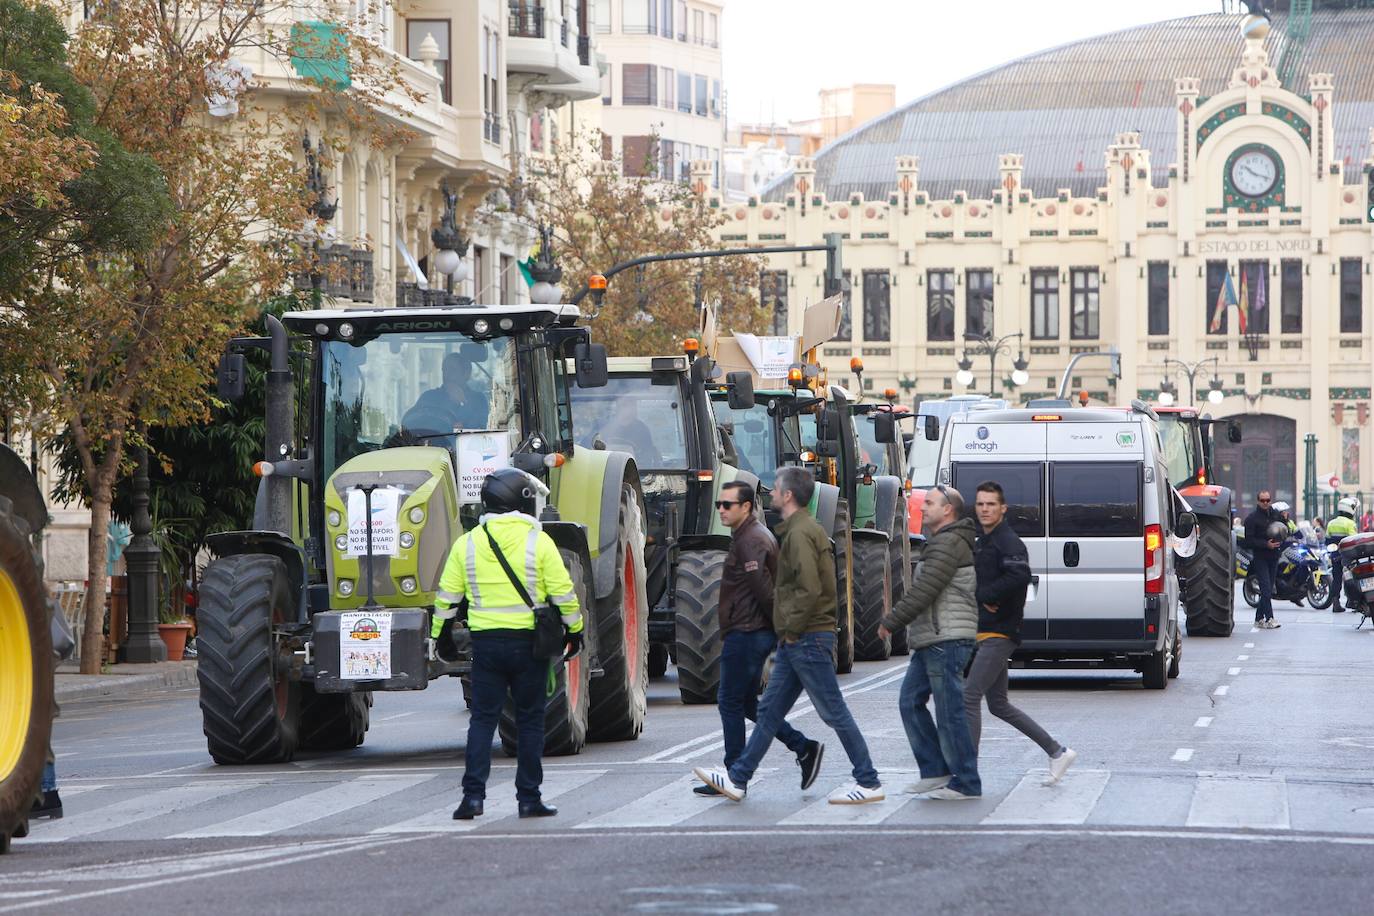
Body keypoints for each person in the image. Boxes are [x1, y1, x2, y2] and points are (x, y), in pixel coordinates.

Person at [693, 466, 884, 805]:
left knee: (834, 712)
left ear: (789, 495)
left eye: (776, 490)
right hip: (799, 639)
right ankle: (738, 778)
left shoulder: (799, 534)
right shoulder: (798, 530)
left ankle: (868, 781)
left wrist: (791, 631)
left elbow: (808, 589)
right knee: (767, 713)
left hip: (807, 638)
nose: (771, 494)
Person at [429, 467, 582, 820]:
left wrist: (442, 637)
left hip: (486, 647)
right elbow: (564, 595)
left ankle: (472, 798)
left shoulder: (466, 543)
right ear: (524, 502)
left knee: (482, 720)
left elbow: (447, 598)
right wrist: (575, 632)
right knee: (530, 721)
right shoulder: (538, 541)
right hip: (530, 647)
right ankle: (529, 798)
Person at [694, 480, 825, 797]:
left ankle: (734, 774)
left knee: (729, 702)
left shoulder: (750, 541)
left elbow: (765, 592)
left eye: (728, 505)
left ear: (747, 507)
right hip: (751, 630)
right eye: (719, 505)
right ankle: (802, 747)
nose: (722, 510)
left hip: (748, 632)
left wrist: (780, 627)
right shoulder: (749, 536)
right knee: (749, 705)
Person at [964, 481, 1077, 785]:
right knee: (998, 705)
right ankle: (1057, 752)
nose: (985, 509)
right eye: (980, 504)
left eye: (991, 504)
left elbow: (1020, 575)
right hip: (987, 633)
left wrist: (988, 596)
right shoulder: (983, 541)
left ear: (1003, 509)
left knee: (969, 696)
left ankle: (966, 774)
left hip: (1000, 634)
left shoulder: (1008, 542)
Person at [877, 484, 981, 800]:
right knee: (909, 701)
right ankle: (935, 770)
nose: (922, 508)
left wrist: (890, 622)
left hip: (946, 639)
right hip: (933, 639)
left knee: (949, 712)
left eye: (931, 503)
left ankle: (965, 782)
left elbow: (926, 590)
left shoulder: (948, 543)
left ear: (948, 509)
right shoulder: (942, 542)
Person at [402, 350, 489, 435]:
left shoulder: (478, 400)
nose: (446, 374)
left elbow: (480, 430)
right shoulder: (429, 397)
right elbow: (413, 424)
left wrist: (463, 403)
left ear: (466, 373)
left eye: (452, 370)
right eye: (444, 370)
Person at [1243, 490, 1284, 629]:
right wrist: (1266, 544)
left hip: (1274, 556)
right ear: (1258, 501)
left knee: (1269, 589)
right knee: (1266, 589)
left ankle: (1258, 618)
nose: (1265, 503)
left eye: (1268, 500)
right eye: (1263, 500)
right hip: (1260, 557)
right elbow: (1248, 541)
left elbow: (1283, 528)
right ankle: (1270, 618)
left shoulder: (1276, 515)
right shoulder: (1251, 519)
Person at [599, 396, 663, 467]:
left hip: (637, 472)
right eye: (626, 405)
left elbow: (648, 458)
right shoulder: (605, 428)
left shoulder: (642, 430)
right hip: (608, 472)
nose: (632, 409)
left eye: (634, 405)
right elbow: (594, 452)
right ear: (618, 408)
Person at [1326, 497, 1359, 613]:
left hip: (1335, 556)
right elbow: (1354, 540)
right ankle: (1353, 601)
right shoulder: (1350, 523)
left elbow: (1327, 540)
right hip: (1348, 556)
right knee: (1352, 578)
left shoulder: (1331, 523)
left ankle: (1336, 603)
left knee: (1337, 579)